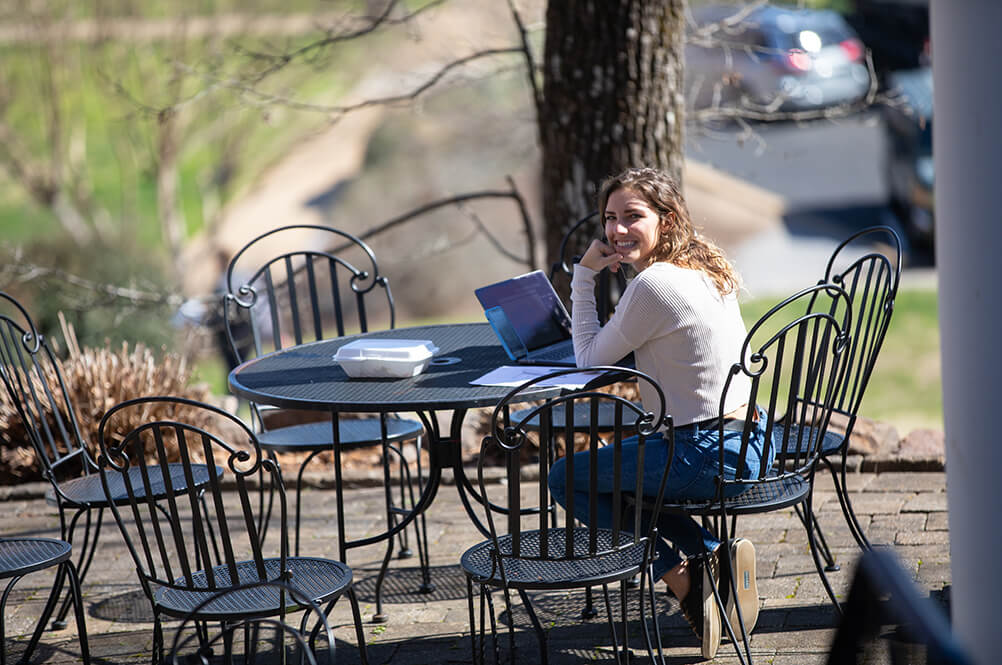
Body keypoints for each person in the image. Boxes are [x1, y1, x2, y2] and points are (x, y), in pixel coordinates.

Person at [547, 167, 774, 659]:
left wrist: (583, 277)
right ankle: (711, 554)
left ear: (665, 222)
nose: (616, 230)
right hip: (750, 438)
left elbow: (588, 360)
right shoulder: (703, 263)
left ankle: (688, 578)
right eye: (609, 218)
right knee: (625, 477)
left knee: (567, 478)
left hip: (705, 451)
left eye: (633, 216)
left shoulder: (653, 285)